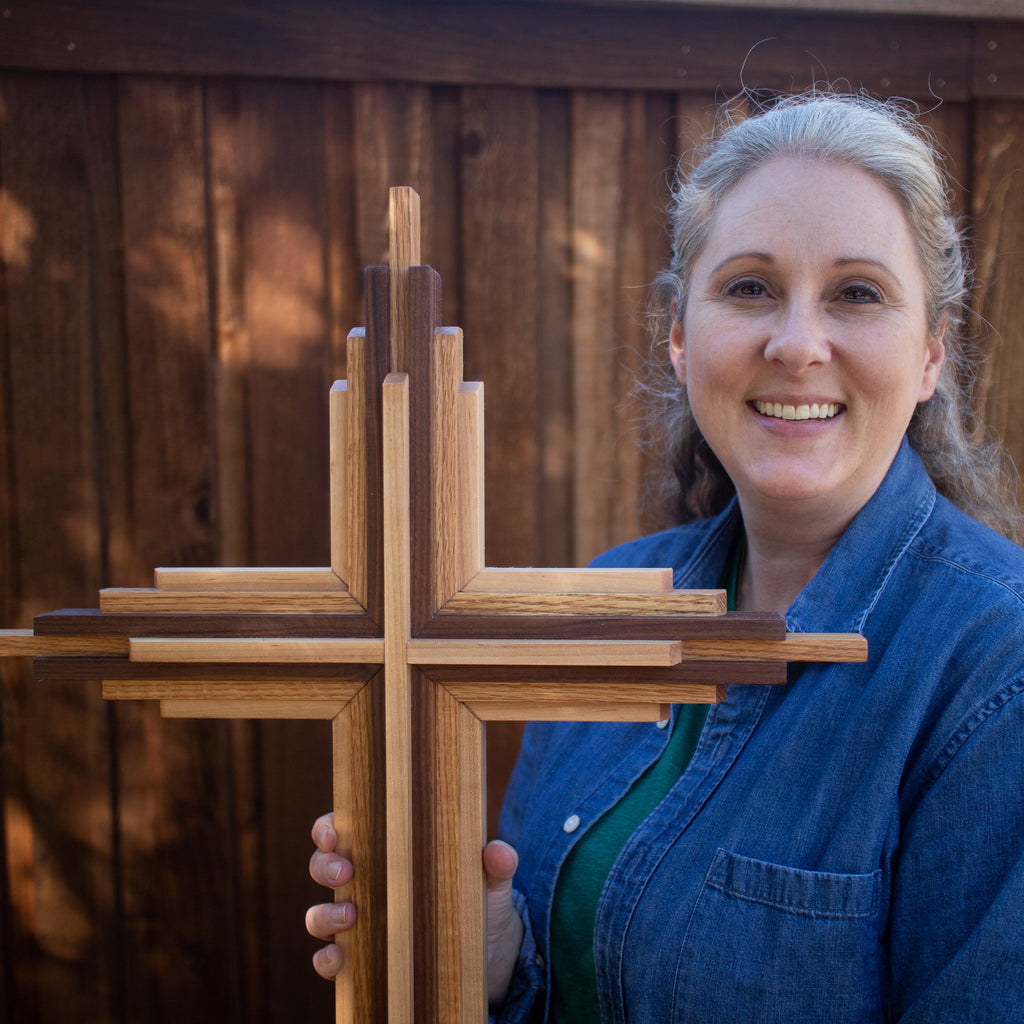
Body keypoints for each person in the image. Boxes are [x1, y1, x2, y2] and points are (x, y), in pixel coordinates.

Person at [306, 90, 1024, 1022]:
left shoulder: (996, 667)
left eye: (858, 293)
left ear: (930, 353)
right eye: (750, 287)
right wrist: (491, 963)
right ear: (681, 338)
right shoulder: (606, 605)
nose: (796, 344)